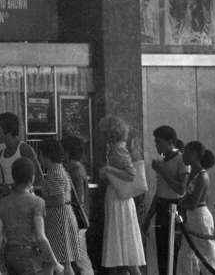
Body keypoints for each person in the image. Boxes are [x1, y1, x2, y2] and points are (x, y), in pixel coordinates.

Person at [0, 156, 65, 275]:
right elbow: (40, 237)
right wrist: (55, 263)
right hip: (28, 255)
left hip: (9, 254)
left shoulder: (2, 203)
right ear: (32, 178)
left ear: (14, 177)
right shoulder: (37, 202)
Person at [99, 115, 146, 275]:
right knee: (125, 251)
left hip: (118, 200)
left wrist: (107, 169)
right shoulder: (119, 147)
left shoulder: (118, 149)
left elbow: (130, 174)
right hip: (119, 198)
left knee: (119, 248)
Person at [144, 125, 187, 275]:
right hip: (162, 207)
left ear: (170, 142)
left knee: (172, 253)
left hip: (175, 208)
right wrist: (148, 218)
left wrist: (162, 172)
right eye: (155, 142)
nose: (156, 145)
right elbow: (159, 193)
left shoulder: (181, 160)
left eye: (159, 142)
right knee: (161, 252)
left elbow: (181, 189)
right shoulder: (161, 161)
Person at [177, 141, 215, 275]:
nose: (183, 155)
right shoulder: (192, 173)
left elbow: (193, 203)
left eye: (185, 152)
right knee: (186, 254)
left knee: (208, 253)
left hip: (200, 217)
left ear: (194, 154)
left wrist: (180, 203)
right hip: (191, 217)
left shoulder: (202, 176)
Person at [38, 138, 82, 275]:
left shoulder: (54, 174)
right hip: (62, 219)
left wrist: (39, 201)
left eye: (41, 155)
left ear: (47, 155)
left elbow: (59, 200)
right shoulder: (60, 170)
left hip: (58, 221)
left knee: (54, 260)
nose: (39, 158)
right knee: (63, 261)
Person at [61, 136, 95, 275]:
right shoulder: (77, 170)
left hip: (78, 221)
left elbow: (78, 200)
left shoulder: (76, 173)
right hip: (78, 221)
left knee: (81, 259)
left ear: (68, 153)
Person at [0, 112, 44, 192]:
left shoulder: (24, 149)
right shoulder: (0, 155)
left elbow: (38, 178)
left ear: (8, 129)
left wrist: (11, 187)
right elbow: (6, 180)